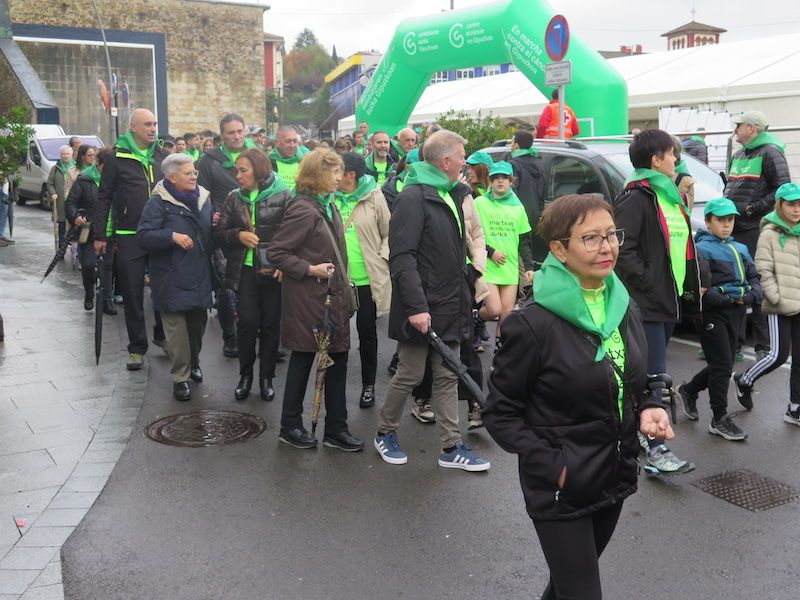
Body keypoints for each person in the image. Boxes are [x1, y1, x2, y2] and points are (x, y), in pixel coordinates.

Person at [483, 193, 674, 600]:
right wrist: (553, 464)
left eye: (611, 235)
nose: (607, 247)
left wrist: (651, 405)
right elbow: (500, 414)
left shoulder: (622, 305)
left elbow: (637, 379)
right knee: (582, 592)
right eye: (590, 238)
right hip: (561, 486)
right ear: (558, 249)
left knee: (566, 586)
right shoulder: (531, 324)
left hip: (614, 474)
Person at [374, 129, 490, 472]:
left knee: (448, 374)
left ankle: (451, 446)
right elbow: (402, 257)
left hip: (450, 304)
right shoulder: (413, 198)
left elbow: (455, 250)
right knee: (410, 373)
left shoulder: (451, 194)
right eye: (462, 156)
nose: (465, 163)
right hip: (423, 307)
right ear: (445, 161)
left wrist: (469, 281)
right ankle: (385, 432)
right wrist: (417, 308)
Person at [613, 128, 700, 474]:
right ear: (655, 159)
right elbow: (623, 249)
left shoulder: (667, 195)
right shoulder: (636, 198)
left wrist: (694, 283)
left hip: (668, 300)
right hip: (647, 303)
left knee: (650, 375)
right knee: (654, 377)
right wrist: (648, 282)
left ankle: (633, 440)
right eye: (671, 154)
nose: (676, 159)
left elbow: (680, 246)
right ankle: (656, 448)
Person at [267, 149, 365, 452]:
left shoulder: (327, 205)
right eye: (335, 171)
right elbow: (276, 253)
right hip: (310, 300)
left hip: (330, 299)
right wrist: (310, 269)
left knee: (337, 360)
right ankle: (290, 426)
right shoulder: (304, 209)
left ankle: (336, 429)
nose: (340, 177)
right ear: (319, 174)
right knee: (303, 359)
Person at [678, 198, 761, 440]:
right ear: (707, 221)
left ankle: (689, 390)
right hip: (711, 314)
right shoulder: (700, 249)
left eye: (730, 219)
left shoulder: (741, 248)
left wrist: (748, 296)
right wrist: (730, 297)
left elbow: (755, 277)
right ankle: (719, 418)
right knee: (723, 364)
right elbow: (701, 288)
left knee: (720, 364)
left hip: (736, 312)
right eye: (721, 220)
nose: (726, 225)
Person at [214, 149, 291, 402]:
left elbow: (293, 234)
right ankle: (245, 375)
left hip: (273, 271)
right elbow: (219, 234)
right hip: (244, 271)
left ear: (258, 170)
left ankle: (266, 378)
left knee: (270, 326)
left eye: (243, 170)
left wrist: (285, 263)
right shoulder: (234, 198)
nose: (238, 175)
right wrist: (238, 236)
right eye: (237, 170)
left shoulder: (284, 194)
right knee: (246, 324)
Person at [94, 108, 168, 371]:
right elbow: (104, 197)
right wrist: (100, 234)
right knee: (133, 293)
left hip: (160, 233)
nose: (152, 128)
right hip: (128, 235)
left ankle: (162, 334)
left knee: (163, 288)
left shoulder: (163, 156)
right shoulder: (116, 158)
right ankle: (137, 348)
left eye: (154, 123)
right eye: (147, 124)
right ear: (134, 128)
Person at [137, 153, 213, 402]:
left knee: (197, 325)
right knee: (176, 332)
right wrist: (171, 236)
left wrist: (216, 223)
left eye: (194, 173)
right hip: (170, 276)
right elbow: (144, 236)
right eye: (188, 173)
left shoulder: (203, 198)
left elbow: (209, 234)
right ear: (172, 177)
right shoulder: (157, 203)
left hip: (199, 273)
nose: (194, 176)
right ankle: (181, 378)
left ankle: (194, 363)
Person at [724, 110, 791, 361]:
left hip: (754, 228)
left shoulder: (771, 152)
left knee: (757, 283)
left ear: (751, 128)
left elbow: (781, 190)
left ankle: (764, 345)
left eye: (739, 125)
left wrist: (752, 209)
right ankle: (736, 343)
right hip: (734, 228)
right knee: (737, 284)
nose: (736, 129)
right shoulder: (740, 153)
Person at [734, 183, 800, 426]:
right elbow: (763, 269)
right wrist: (775, 296)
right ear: (780, 205)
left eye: (799, 204)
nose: (796, 209)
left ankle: (795, 408)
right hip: (779, 304)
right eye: (791, 204)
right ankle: (744, 380)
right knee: (778, 355)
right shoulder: (770, 233)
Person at [333, 152, 391, 409]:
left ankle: (369, 385)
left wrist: (382, 256)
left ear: (351, 175)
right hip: (339, 280)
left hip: (367, 279)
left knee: (367, 334)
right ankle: (335, 384)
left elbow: (389, 233)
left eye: (339, 172)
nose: (335, 176)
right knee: (337, 333)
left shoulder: (374, 197)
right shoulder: (330, 198)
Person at [197, 113, 257, 358]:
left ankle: (256, 332)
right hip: (223, 229)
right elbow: (201, 194)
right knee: (226, 285)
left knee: (253, 281)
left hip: (253, 226)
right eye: (231, 132)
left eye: (240, 131)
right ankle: (230, 336)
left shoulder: (256, 155)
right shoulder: (209, 160)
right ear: (222, 135)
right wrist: (211, 215)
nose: (237, 136)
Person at [474, 161, 535, 354]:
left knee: (506, 315)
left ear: (511, 181)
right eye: (496, 178)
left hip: (509, 268)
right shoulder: (480, 203)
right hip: (488, 266)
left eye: (504, 178)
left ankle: (498, 357)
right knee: (494, 309)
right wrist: (491, 252)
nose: (500, 181)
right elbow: (471, 235)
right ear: (490, 181)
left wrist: (529, 267)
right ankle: (476, 321)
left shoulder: (518, 208)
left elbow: (524, 240)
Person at [65, 146, 115, 314]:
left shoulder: (118, 180)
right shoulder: (84, 180)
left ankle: (107, 301)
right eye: (104, 167)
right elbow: (71, 202)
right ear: (97, 163)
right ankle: (89, 292)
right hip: (89, 231)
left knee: (108, 268)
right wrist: (75, 217)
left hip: (110, 232)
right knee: (88, 265)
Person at [508, 130, 546, 237]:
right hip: (535, 216)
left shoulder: (514, 165)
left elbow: (512, 193)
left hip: (518, 217)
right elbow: (542, 191)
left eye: (512, 142)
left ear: (516, 145)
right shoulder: (539, 162)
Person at [47, 145, 74, 249]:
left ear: (72, 155)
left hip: (73, 201)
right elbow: (50, 183)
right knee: (62, 226)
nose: (65, 156)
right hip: (60, 203)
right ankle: (61, 250)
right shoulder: (55, 168)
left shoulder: (76, 167)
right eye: (63, 154)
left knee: (73, 226)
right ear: (60, 155)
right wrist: (53, 193)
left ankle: (75, 251)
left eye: (67, 154)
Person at [269, 126, 304, 190]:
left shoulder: (303, 163)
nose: (292, 145)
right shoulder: (267, 163)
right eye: (288, 141)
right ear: (277, 143)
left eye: (295, 141)